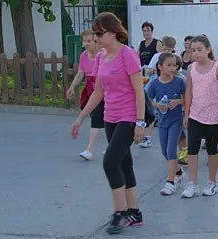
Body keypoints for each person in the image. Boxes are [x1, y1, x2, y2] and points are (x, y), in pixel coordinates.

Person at [70, 12, 144, 234]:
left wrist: (140, 122)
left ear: (112, 32)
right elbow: (98, 92)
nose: (97, 38)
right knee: (124, 164)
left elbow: (139, 91)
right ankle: (135, 213)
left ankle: (119, 214)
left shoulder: (128, 55)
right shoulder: (101, 57)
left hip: (128, 117)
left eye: (99, 33)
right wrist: (81, 117)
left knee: (110, 162)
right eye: (95, 33)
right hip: (110, 116)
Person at [182, 35, 218, 198]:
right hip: (196, 114)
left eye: (199, 49)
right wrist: (187, 113)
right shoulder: (190, 69)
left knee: (212, 149)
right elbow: (189, 92)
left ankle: (211, 182)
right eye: (193, 50)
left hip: (215, 116)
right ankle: (192, 182)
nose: (196, 53)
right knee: (192, 150)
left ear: (208, 49)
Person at [144, 52, 187, 195]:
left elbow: (187, 99)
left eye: (174, 65)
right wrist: (157, 105)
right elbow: (148, 99)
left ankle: (170, 182)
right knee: (164, 151)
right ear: (160, 66)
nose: (172, 68)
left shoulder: (180, 82)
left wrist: (178, 101)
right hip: (163, 121)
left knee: (170, 150)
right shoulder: (154, 83)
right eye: (169, 65)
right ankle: (179, 172)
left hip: (176, 120)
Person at [66, 30, 104, 160]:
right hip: (91, 88)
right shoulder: (83, 56)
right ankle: (90, 149)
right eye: (84, 41)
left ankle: (94, 148)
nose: (86, 44)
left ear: (95, 41)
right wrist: (72, 87)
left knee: (108, 118)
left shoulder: (103, 54)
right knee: (96, 116)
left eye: (89, 41)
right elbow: (81, 73)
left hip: (105, 87)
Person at [141, 35, 178, 148]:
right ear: (161, 47)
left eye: (169, 50)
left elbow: (178, 73)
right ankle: (147, 137)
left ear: (173, 49)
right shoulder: (157, 56)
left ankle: (169, 137)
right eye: (165, 49)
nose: (166, 52)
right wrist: (151, 70)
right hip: (155, 83)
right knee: (148, 107)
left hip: (167, 86)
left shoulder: (175, 58)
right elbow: (149, 70)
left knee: (166, 112)